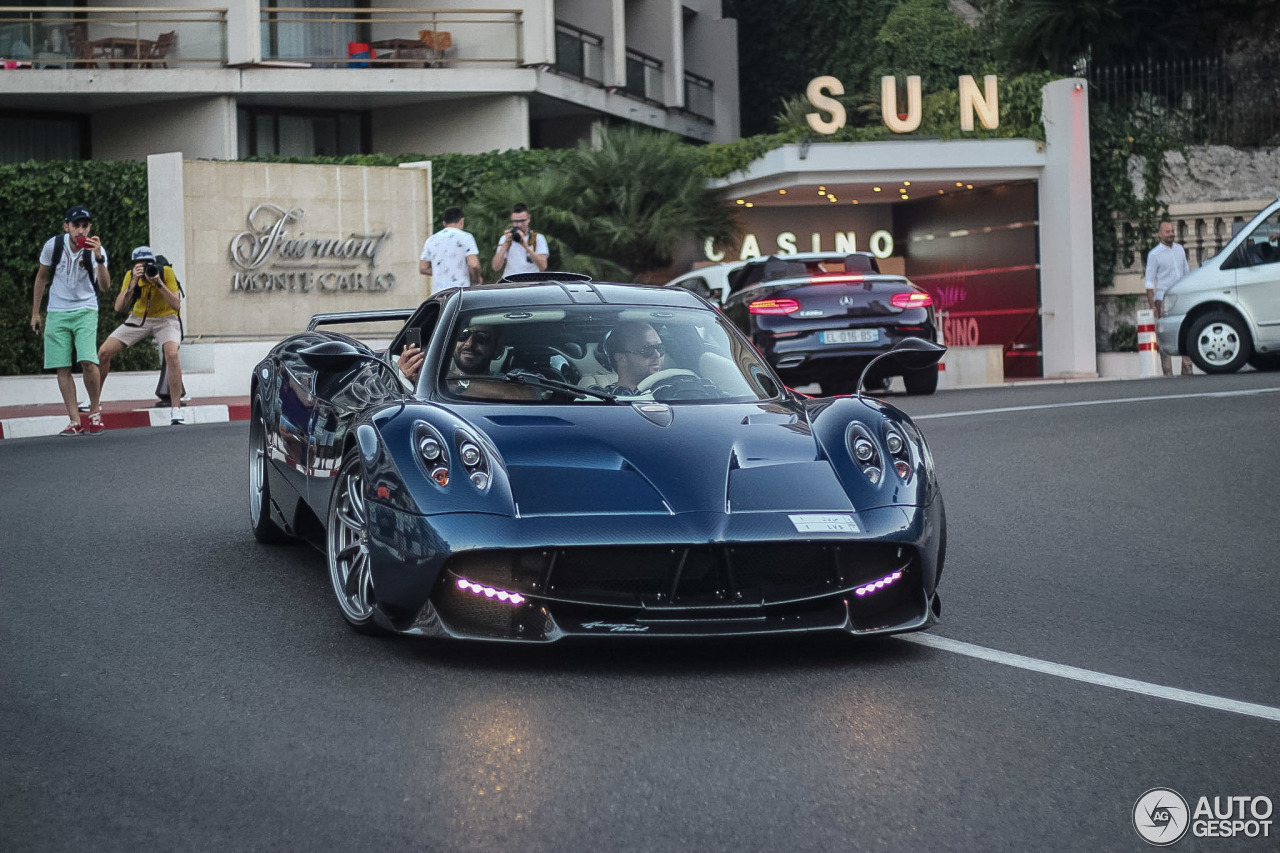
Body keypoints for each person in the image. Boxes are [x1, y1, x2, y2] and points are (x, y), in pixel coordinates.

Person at [30, 205, 111, 436]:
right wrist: (36, 312)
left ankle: (95, 412)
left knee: (88, 361)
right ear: (67, 226)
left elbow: (105, 288)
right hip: (57, 309)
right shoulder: (53, 246)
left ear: (90, 227)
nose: (81, 230)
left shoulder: (96, 250)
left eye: (85, 225)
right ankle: (75, 420)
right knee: (62, 366)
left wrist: (100, 259)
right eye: (76, 225)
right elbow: (41, 277)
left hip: (85, 308)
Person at [97, 246, 187, 425]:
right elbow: (118, 307)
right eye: (140, 264)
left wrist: (159, 283)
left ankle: (176, 410)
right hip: (138, 319)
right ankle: (93, 400)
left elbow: (176, 304)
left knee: (172, 354)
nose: (145, 268)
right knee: (104, 352)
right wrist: (132, 285)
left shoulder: (166, 272)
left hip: (166, 318)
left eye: (148, 264)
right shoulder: (130, 276)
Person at [1145, 221, 1194, 376]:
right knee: (1165, 333)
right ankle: (1168, 371)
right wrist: (1152, 304)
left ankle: (1187, 368)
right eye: (1167, 231)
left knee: (1186, 329)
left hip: (1181, 296)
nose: (1171, 234)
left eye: (1172, 231)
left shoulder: (1180, 250)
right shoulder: (1154, 254)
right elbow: (1149, 282)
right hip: (1163, 299)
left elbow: (1186, 273)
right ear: (1160, 234)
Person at [419, 206, 481, 293]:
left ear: (444, 223)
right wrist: (476, 279)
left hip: (438, 293)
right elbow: (474, 265)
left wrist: (442, 271)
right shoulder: (466, 237)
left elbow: (423, 268)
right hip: (460, 292)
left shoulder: (431, 240)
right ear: (462, 221)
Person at [602, 322, 667, 395]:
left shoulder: (673, 393)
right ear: (621, 358)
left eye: (659, 348)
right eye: (647, 349)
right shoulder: (601, 401)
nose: (657, 355)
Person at [490, 202, 549, 278]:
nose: (519, 225)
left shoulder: (537, 238)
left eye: (522, 221)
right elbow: (495, 267)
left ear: (529, 219)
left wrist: (526, 247)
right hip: (510, 280)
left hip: (531, 281)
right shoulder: (505, 238)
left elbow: (543, 266)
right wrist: (505, 245)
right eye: (516, 222)